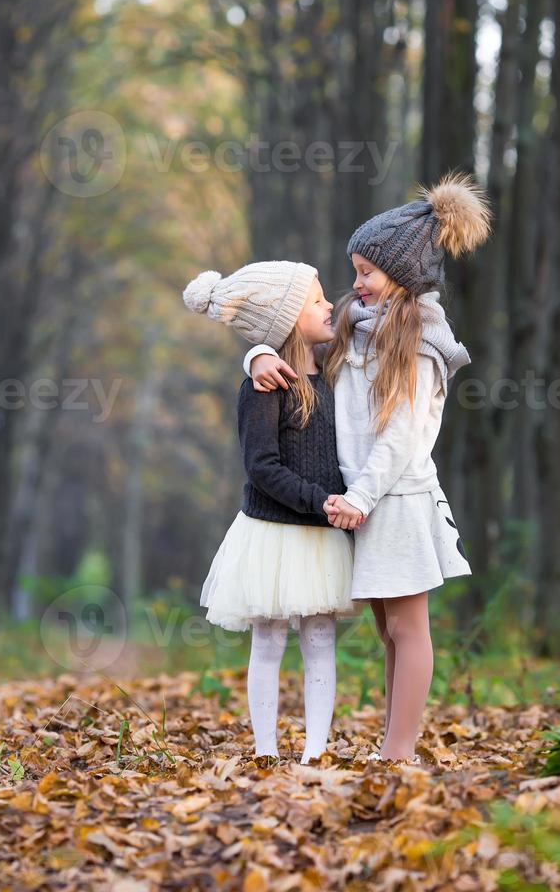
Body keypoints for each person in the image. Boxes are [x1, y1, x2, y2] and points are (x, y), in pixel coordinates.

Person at [243, 171, 492, 764]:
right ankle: (392, 743)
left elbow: (402, 436)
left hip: (396, 499)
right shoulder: (358, 326)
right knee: (387, 632)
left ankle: (399, 751)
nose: (356, 284)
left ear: (403, 275)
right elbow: (295, 342)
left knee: (409, 629)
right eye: (354, 271)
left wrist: (361, 497)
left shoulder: (423, 341)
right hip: (362, 501)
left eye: (366, 273)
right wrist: (256, 354)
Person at [183, 260, 361, 765]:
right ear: (285, 318)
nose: (330, 305)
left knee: (321, 639)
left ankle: (314, 752)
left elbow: (371, 325)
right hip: (274, 531)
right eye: (317, 299)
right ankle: (265, 750)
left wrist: (256, 351)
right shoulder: (264, 387)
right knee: (268, 638)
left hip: (321, 532)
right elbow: (261, 466)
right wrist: (258, 356)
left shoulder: (333, 372)